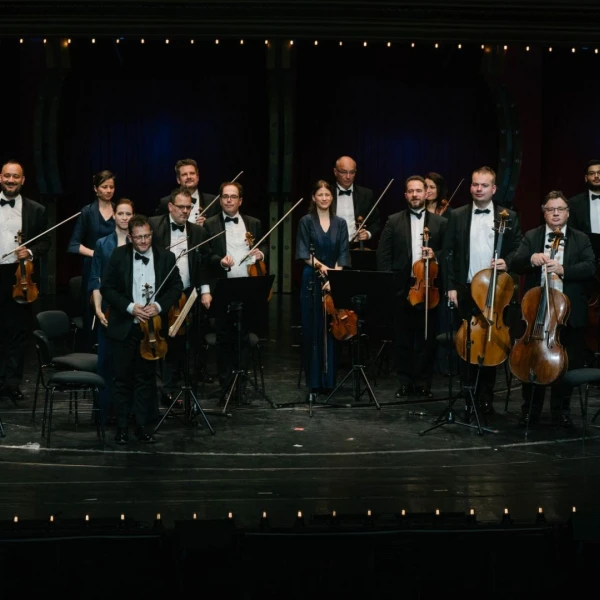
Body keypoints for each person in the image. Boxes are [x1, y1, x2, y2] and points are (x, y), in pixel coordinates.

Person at [443, 166, 523, 414]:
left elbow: (519, 247)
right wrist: (450, 286)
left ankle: (486, 397)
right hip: (465, 288)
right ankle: (469, 396)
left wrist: (507, 261)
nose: (479, 189)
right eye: (475, 184)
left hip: (495, 290)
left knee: (491, 343)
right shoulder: (457, 215)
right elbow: (447, 252)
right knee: (466, 343)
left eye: (484, 185)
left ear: (494, 189)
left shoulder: (508, 216)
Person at [511, 191, 595, 428]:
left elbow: (590, 267)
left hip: (568, 313)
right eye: (550, 209)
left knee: (567, 363)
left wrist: (563, 269)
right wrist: (531, 259)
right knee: (532, 359)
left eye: (560, 209)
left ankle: (561, 411)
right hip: (537, 311)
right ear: (544, 212)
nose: (555, 213)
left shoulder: (581, 238)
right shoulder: (532, 236)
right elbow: (516, 262)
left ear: (568, 213)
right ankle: (530, 410)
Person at [101, 215, 183, 443]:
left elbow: (176, 286)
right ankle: (122, 428)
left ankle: (142, 426)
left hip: (152, 330)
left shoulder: (166, 257)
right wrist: (130, 307)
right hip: (125, 327)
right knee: (122, 379)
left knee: (146, 380)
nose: (144, 241)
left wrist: (158, 306)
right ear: (130, 237)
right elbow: (107, 288)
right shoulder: (118, 256)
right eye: (138, 237)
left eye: (147, 236)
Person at [377, 175, 446, 397]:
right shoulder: (393, 220)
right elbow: (383, 255)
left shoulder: (440, 223)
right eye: (411, 191)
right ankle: (405, 382)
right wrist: (389, 284)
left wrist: (435, 254)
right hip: (402, 287)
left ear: (426, 193)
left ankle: (424, 382)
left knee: (427, 338)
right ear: (406, 195)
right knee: (402, 338)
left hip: (429, 288)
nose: (415, 194)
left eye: (419, 190)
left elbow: (450, 252)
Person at [204, 181, 268, 400]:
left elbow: (264, 245)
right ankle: (226, 385)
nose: (229, 200)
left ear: (240, 200)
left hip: (248, 286)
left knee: (244, 336)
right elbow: (206, 255)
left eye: (233, 196)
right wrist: (219, 261)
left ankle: (240, 386)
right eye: (225, 196)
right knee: (224, 337)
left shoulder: (253, 223)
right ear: (220, 200)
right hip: (223, 286)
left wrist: (261, 254)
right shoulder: (210, 224)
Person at [149, 187, 213, 404]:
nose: (185, 211)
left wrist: (205, 291)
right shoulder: (154, 226)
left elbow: (203, 265)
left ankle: (178, 390)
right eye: (181, 207)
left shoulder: (198, 232)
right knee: (160, 341)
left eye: (188, 207)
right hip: (159, 293)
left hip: (187, 294)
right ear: (170, 206)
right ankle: (160, 389)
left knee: (185, 343)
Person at [0, 160, 50, 402]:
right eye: (7, 176)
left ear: (23, 180)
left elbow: (45, 242)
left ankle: (11, 382)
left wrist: (29, 252)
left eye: (16, 176)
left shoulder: (36, 209)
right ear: (0, 178)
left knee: (18, 332)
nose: (11, 180)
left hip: (20, 276)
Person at [296, 180, 350, 394]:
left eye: (327, 194)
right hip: (312, 279)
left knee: (332, 328)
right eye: (320, 194)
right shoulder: (306, 221)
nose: (324, 198)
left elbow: (344, 254)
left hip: (334, 280)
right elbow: (303, 252)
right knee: (313, 329)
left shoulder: (341, 223)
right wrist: (324, 269)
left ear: (332, 197)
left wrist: (334, 277)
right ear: (314, 197)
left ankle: (329, 381)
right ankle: (314, 381)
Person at [88, 198, 134, 424]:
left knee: (130, 364)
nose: (124, 217)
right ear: (113, 215)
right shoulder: (102, 243)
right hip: (108, 310)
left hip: (132, 311)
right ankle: (105, 412)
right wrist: (98, 309)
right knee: (106, 362)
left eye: (128, 214)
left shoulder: (140, 241)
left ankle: (129, 412)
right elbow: (95, 278)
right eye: (121, 213)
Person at [67, 170, 116, 349]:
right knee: (93, 314)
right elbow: (74, 245)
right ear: (95, 189)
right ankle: (92, 353)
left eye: (111, 187)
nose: (108, 190)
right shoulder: (87, 212)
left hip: (115, 268)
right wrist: (98, 254)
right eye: (104, 187)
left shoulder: (120, 211)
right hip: (94, 269)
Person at [155, 158, 221, 226]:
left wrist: (207, 225)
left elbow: (219, 226)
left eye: (192, 173)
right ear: (178, 180)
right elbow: (158, 227)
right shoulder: (165, 202)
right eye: (184, 174)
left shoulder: (213, 201)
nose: (189, 177)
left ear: (198, 177)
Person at [333, 156, 379, 247]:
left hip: (357, 247)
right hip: (331, 247)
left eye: (352, 172)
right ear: (335, 172)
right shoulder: (326, 194)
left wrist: (368, 234)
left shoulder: (366, 194)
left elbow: (376, 222)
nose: (348, 176)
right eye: (343, 172)